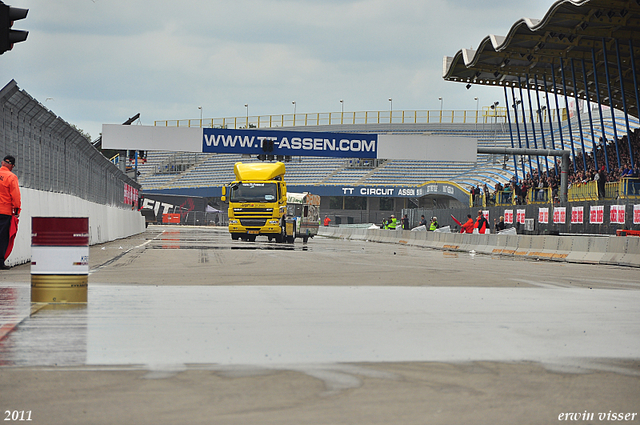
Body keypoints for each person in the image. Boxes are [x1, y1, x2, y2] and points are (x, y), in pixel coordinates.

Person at [0, 155, 21, 270]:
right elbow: (15, 195)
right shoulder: (11, 177)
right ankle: (0, 262)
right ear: (12, 166)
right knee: (3, 237)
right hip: (4, 212)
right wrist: (17, 210)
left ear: (2, 162)